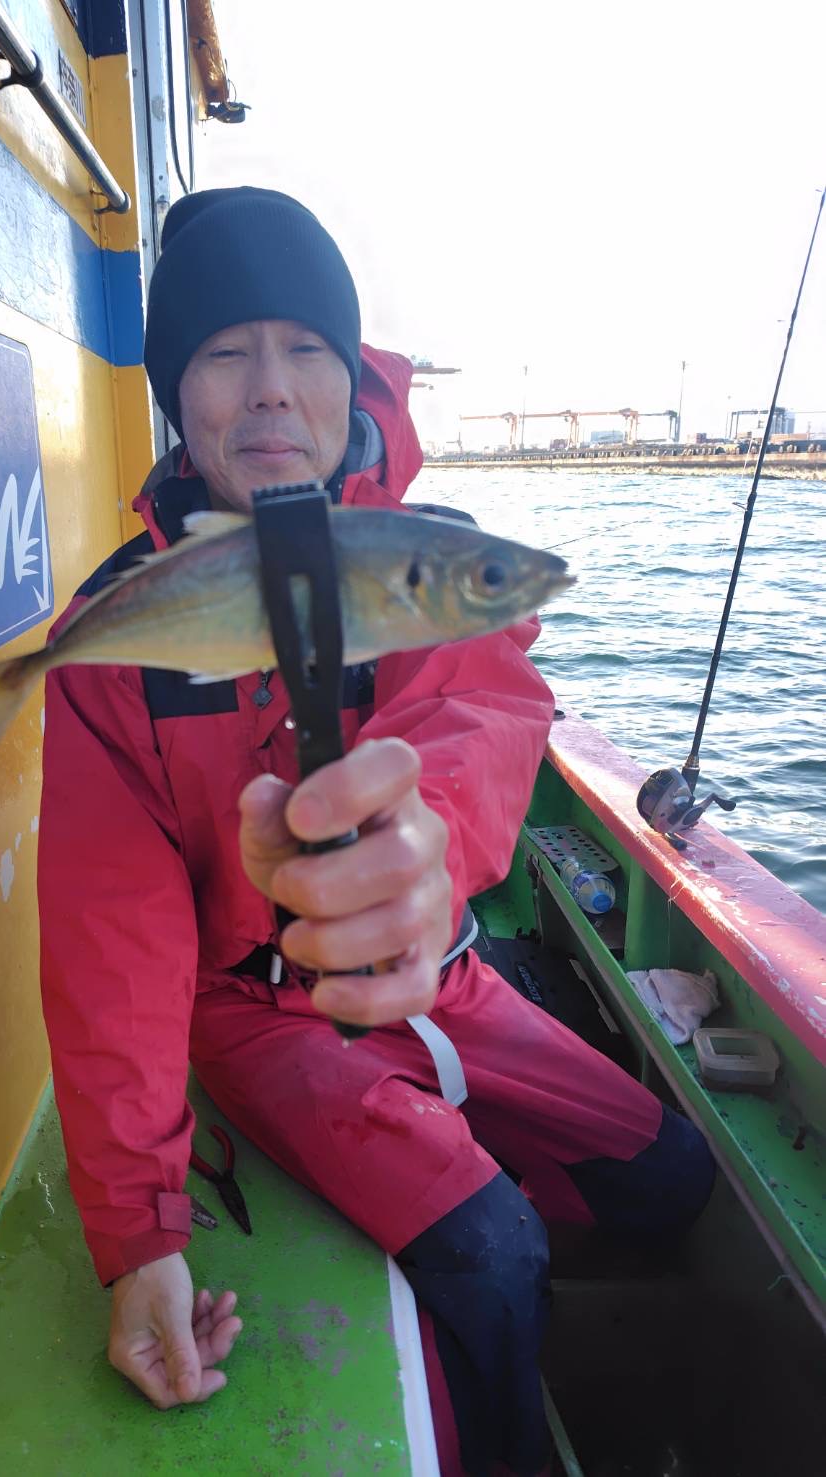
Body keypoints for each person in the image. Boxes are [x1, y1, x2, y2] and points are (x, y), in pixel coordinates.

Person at [37, 187, 714, 1477]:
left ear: (352, 375)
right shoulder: (115, 637)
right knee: (493, 1254)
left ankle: (457, 1193)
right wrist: (139, 1237)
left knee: (674, 1176)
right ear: (175, 394)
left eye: (306, 347)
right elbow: (109, 942)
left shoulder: (421, 559)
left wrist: (422, 847)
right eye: (223, 354)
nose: (269, 388)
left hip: (443, 975)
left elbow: (479, 711)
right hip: (254, 1013)